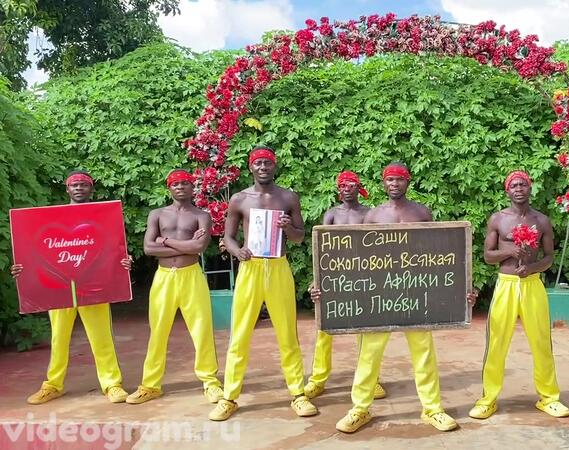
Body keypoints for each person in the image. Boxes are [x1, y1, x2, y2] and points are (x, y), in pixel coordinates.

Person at [335, 162, 476, 433]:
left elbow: (439, 254)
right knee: (369, 352)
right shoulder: (374, 215)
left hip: (416, 290)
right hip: (381, 292)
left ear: (408, 182)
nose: (394, 184)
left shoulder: (422, 212)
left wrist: (458, 289)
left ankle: (432, 408)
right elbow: (360, 257)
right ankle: (360, 409)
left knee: (423, 351)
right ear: (383, 183)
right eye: (390, 179)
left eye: (399, 179)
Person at [208, 147, 317, 421]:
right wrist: (237, 251)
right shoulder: (240, 199)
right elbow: (228, 237)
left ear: (274, 165)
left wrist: (287, 227)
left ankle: (298, 394)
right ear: (251, 167)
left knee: (287, 333)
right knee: (240, 334)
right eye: (258, 163)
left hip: (278, 266)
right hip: (251, 267)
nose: (263, 167)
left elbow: (299, 236)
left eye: (267, 163)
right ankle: (229, 397)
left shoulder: (288, 197)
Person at [11, 170, 131, 404]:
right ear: (67, 189)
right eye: (74, 185)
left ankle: (112, 384)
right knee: (59, 338)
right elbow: (35, 249)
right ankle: (53, 385)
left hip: (94, 286)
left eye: (83, 184)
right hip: (59, 287)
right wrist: (22, 268)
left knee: (101, 337)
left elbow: (113, 248)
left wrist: (124, 261)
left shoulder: (103, 217)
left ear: (91, 189)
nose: (78, 188)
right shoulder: (52, 218)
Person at [468, 170, 569, 420]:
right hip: (505, 284)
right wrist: (510, 252)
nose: (518, 189)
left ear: (530, 188)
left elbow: (549, 258)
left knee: (541, 342)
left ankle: (549, 398)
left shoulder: (542, 221)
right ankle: (488, 399)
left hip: (532, 284)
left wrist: (532, 268)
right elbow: (488, 255)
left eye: (523, 185)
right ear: (507, 190)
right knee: (496, 342)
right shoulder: (498, 219)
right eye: (514, 185)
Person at [125, 169, 223, 404]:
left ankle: (210, 382)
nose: (180, 187)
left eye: (184, 183)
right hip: (164, 278)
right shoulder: (157, 214)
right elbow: (149, 248)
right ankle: (151, 385)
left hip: (192, 276)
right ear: (169, 188)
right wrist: (186, 244)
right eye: (175, 184)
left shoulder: (202, 215)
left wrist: (165, 240)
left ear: (192, 187)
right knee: (158, 330)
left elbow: (198, 248)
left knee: (202, 329)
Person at [305, 170, 387, 400]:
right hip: (334, 277)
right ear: (338, 190)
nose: (346, 189)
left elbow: (378, 247)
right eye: (342, 186)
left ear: (358, 188)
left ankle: (371, 379)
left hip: (363, 277)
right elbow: (321, 247)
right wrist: (317, 278)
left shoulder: (369, 214)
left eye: (351, 185)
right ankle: (318, 378)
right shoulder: (332, 214)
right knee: (325, 329)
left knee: (365, 330)